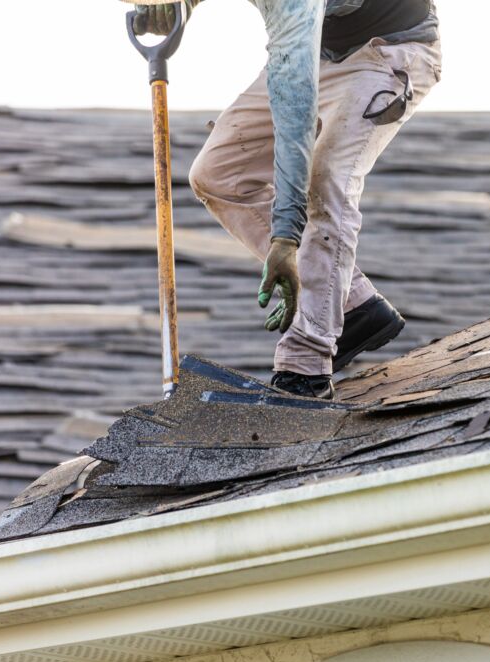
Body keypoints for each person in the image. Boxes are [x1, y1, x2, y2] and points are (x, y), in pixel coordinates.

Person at [130, 0, 441, 399]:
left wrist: (285, 236)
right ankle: (354, 307)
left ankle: (305, 368)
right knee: (218, 173)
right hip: (320, 48)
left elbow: (296, 121)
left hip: (388, 52)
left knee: (325, 180)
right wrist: (179, 7)